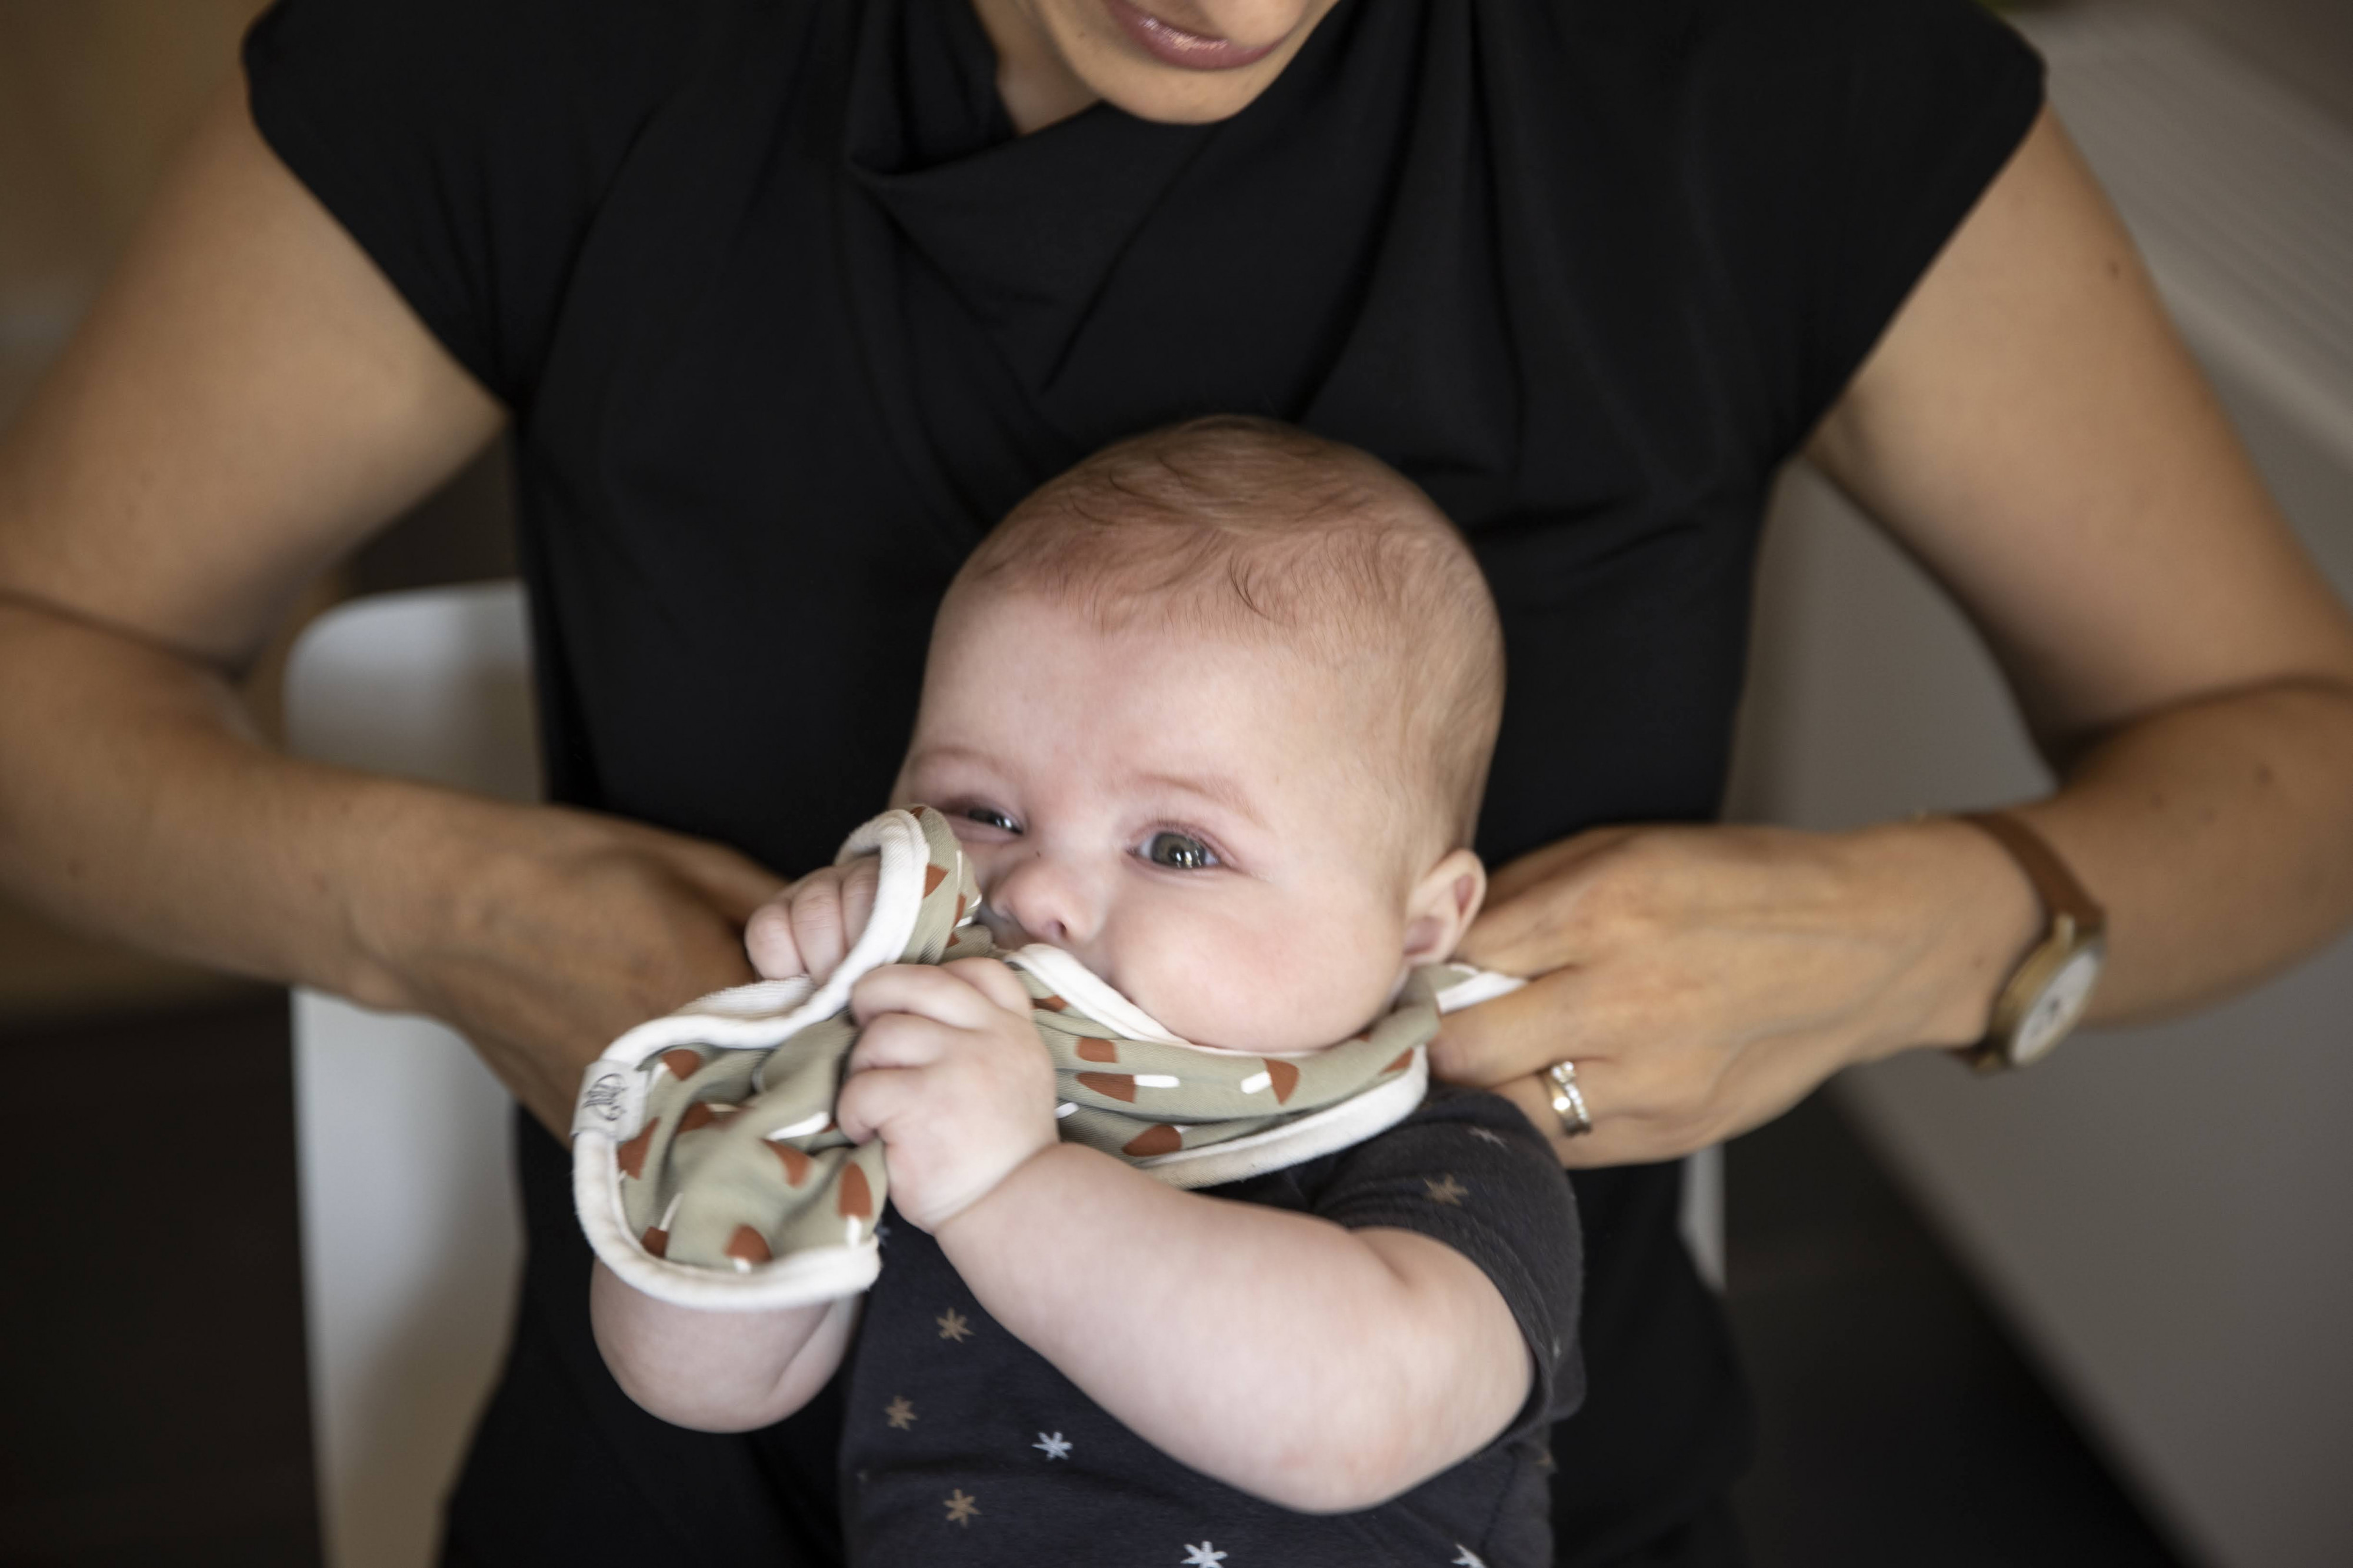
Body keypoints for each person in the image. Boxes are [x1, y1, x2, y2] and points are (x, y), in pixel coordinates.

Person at [3, 0, 2351, 1562]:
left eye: (1181, 842)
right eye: (988, 814)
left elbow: (2291, 750)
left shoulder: (1750, 83)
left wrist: (1922, 928)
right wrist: (478, 946)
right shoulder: (550, 61)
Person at [592, 417, 1579, 1565]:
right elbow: (691, 1379)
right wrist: (793, 1047)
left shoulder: (1455, 1155)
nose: (1042, 891)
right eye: (985, 814)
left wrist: (1008, 1184)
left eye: (1174, 847)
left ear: (1416, 923)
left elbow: (1347, 1417)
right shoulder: (920, 1092)